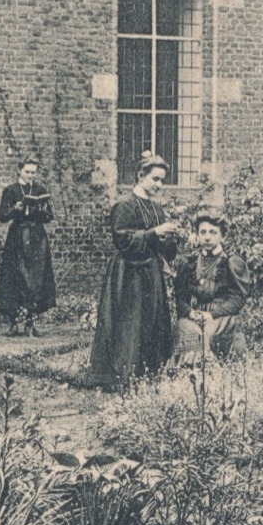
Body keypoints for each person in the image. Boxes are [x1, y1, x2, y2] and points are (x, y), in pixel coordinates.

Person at [91, 152, 181, 383]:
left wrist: (171, 238)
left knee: (151, 319)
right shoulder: (125, 205)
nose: (159, 185)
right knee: (130, 323)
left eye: (162, 180)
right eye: (155, 179)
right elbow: (122, 240)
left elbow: (164, 249)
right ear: (141, 176)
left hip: (150, 271)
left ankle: (149, 370)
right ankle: (124, 374)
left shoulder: (155, 208)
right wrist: (154, 233)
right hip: (128, 273)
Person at [173, 210, 253, 362]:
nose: (207, 237)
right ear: (197, 235)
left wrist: (211, 315)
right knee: (183, 326)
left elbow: (237, 299)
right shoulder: (189, 263)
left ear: (222, 236)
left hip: (222, 317)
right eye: (202, 232)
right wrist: (190, 313)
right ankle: (193, 371)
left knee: (207, 332)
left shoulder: (231, 262)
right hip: (195, 317)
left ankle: (210, 367)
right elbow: (180, 299)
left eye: (213, 232)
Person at [0, 157, 57, 335]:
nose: (30, 175)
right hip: (18, 237)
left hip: (37, 239)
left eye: (33, 172)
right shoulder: (11, 190)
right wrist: (15, 208)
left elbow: (49, 217)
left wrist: (43, 209)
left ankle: (31, 322)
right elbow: (2, 216)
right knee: (15, 277)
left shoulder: (40, 190)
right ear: (19, 171)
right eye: (27, 172)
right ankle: (14, 323)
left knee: (36, 280)